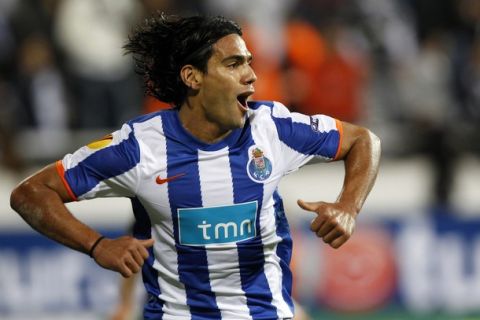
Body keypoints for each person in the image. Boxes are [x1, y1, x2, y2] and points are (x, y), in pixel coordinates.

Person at [10, 13, 381, 319]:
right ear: (193, 77)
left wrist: (348, 205)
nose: (251, 76)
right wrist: (96, 245)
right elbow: (30, 193)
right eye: (234, 64)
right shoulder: (139, 148)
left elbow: (363, 140)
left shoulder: (272, 128)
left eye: (249, 63)